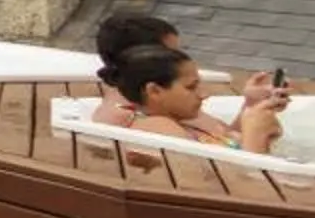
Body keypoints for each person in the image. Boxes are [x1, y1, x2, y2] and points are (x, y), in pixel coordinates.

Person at [84, 11, 288, 131]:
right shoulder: (141, 119)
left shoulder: (164, 103)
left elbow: (227, 140)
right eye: (171, 53)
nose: (179, 59)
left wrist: (252, 106)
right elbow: (233, 170)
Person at [97, 44, 289, 155]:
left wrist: (252, 106)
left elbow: (230, 145)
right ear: (155, 91)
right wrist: (255, 134)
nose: (204, 94)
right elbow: (241, 185)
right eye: (191, 87)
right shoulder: (157, 127)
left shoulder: (180, 120)